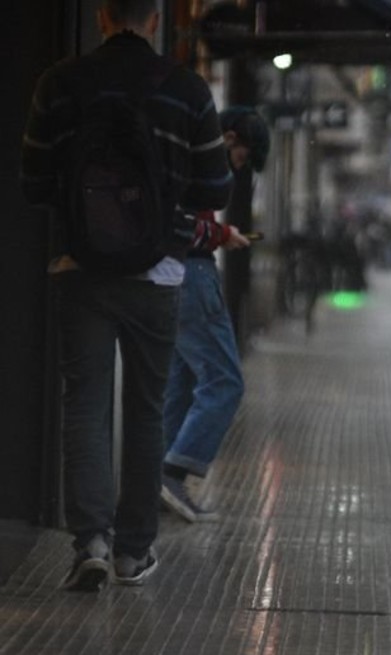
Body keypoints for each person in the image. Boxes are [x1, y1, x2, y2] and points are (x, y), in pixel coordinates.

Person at [21, 0, 232, 590]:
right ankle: (133, 552)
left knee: (84, 403)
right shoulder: (187, 91)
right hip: (159, 273)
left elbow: (33, 181)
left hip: (80, 267)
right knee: (146, 410)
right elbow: (214, 183)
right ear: (157, 21)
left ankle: (89, 540)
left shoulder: (59, 84)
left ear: (102, 18)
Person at [160, 107, 268, 522]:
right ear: (228, 138)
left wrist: (222, 234)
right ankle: (173, 472)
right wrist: (223, 234)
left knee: (181, 383)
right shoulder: (197, 163)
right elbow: (182, 223)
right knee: (225, 382)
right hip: (194, 276)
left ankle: (160, 481)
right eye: (240, 156)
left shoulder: (178, 155)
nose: (238, 167)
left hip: (172, 275)